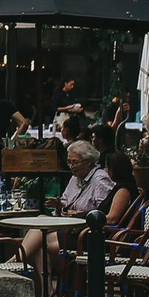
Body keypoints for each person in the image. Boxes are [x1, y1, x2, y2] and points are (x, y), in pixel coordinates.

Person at [17, 114, 132, 286]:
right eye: (69, 162)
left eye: (75, 162)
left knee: (40, 239)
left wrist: (79, 215)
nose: (71, 166)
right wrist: (61, 206)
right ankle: (49, 289)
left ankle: (17, 264)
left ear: (89, 162)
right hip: (72, 226)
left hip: (86, 234)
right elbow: (68, 202)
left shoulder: (110, 184)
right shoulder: (76, 178)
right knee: (40, 225)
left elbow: (106, 216)